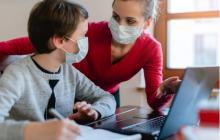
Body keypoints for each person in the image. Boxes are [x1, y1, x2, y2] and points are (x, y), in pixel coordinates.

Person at [0, 0, 180, 109]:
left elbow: (154, 102)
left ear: (147, 22)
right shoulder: (89, 32)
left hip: (106, 99)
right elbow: (25, 43)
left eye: (130, 21)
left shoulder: (151, 49)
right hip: (69, 94)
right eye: (116, 16)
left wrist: (165, 91)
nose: (120, 25)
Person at [0, 0, 116, 140]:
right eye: (82, 35)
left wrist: (95, 111)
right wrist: (32, 131)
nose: (85, 40)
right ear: (59, 41)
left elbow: (107, 98)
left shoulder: (69, 72)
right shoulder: (17, 74)